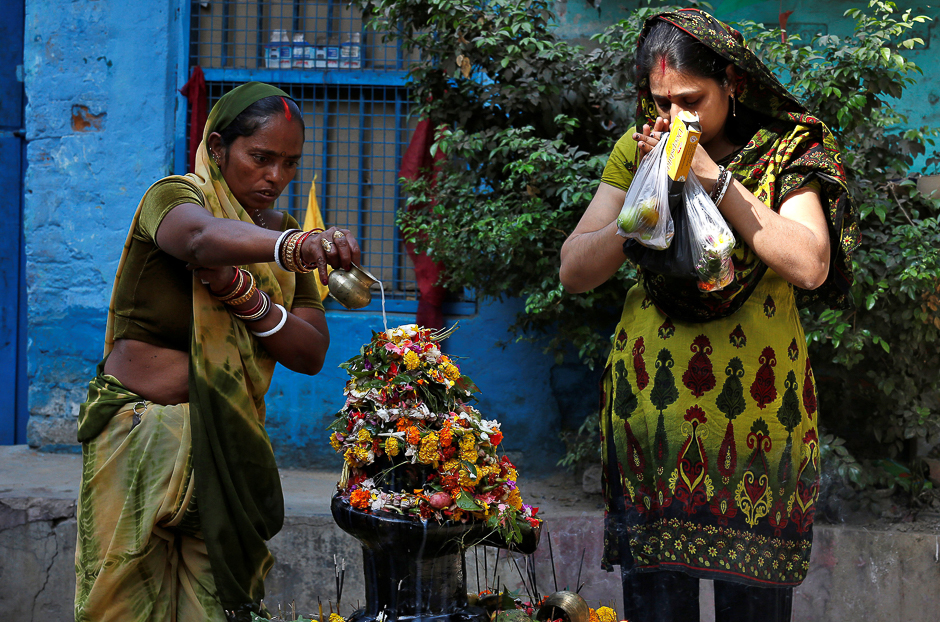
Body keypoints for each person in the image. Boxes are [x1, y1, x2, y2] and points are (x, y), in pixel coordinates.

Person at [559, 9, 859, 622]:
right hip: (654, 430)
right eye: (661, 102)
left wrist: (711, 178)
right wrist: (644, 200)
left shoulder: (787, 151)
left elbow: (810, 264)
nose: (674, 119)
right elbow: (575, 271)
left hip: (755, 432)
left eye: (690, 100)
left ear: (732, 82)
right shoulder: (639, 147)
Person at [74, 82, 360, 622]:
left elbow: (310, 351)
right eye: (261, 157)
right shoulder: (175, 199)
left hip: (229, 444)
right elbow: (200, 240)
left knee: (215, 608)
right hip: (144, 436)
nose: (275, 177)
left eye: (290, 164)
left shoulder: (286, 236)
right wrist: (292, 248)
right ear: (218, 146)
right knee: (121, 609)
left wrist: (244, 294)